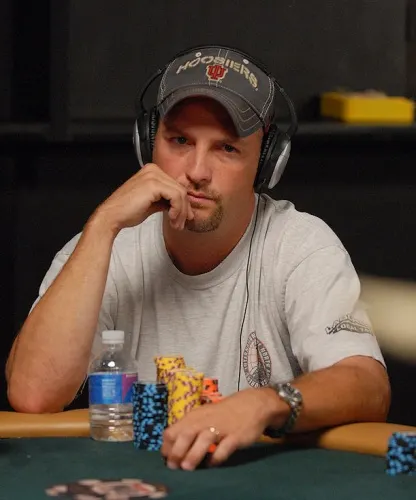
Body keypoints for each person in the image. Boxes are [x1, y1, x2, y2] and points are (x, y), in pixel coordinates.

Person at [6, 45, 390, 470]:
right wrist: (102, 227)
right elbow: (32, 394)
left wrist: (265, 403)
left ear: (267, 164)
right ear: (147, 144)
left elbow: (367, 384)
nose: (197, 172)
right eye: (180, 141)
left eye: (226, 148)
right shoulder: (102, 245)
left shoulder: (301, 245)